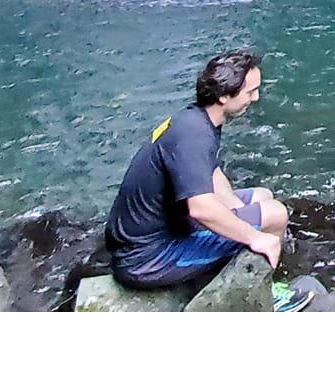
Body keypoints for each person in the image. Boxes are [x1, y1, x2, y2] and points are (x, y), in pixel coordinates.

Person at [104, 49, 291, 291]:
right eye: (250, 92)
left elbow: (211, 171)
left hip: (162, 231)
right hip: (148, 259)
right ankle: (270, 293)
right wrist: (255, 236)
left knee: (262, 196)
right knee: (276, 215)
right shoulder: (195, 135)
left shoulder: (196, 119)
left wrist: (234, 209)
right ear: (224, 96)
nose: (255, 98)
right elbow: (201, 208)